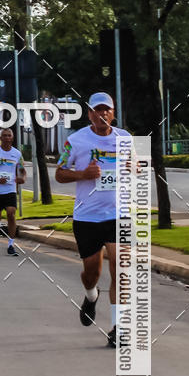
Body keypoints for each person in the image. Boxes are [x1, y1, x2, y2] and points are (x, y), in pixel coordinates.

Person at [55, 92, 131, 347]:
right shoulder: (75, 141)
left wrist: (137, 168)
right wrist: (83, 174)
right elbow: (60, 174)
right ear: (89, 114)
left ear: (113, 112)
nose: (103, 114)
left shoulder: (125, 138)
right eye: (97, 110)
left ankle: (118, 328)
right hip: (87, 217)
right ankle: (91, 295)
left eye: (107, 110)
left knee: (120, 269)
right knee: (91, 273)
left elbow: (139, 168)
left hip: (118, 215)